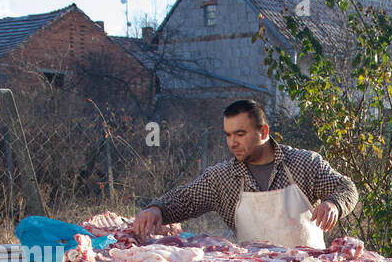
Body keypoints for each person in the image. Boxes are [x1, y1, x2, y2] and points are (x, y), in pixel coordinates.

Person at [133, 99, 358, 249]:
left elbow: (346, 188)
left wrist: (334, 205)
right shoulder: (221, 177)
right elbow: (186, 199)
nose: (232, 142)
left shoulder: (304, 163)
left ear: (264, 132)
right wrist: (157, 209)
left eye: (240, 134)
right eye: (228, 135)